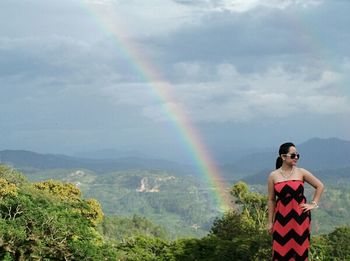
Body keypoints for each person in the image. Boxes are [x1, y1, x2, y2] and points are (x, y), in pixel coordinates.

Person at [267, 142, 324, 260]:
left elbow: (320, 186)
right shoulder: (273, 176)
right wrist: (270, 222)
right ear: (283, 157)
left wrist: (313, 204)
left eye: (298, 155)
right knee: (280, 250)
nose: (296, 157)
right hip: (281, 219)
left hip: (300, 218)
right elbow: (271, 200)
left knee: (300, 250)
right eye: (293, 155)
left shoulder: (301, 172)